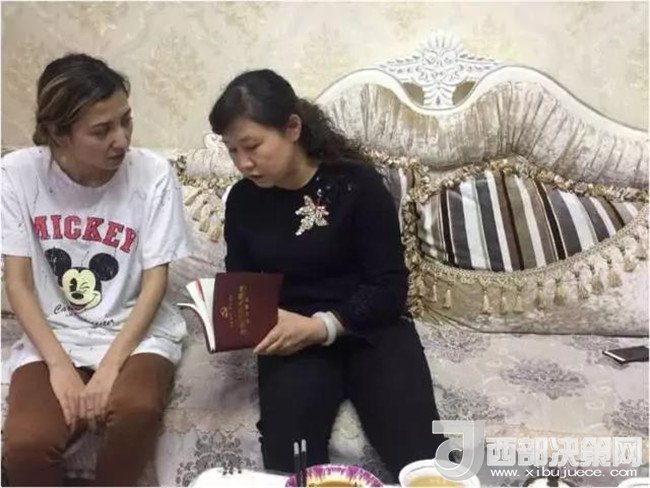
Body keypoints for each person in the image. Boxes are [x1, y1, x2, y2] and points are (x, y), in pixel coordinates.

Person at [208, 69, 446, 481]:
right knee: (290, 459)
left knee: (423, 456)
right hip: (291, 336)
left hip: (371, 327)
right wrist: (237, 315)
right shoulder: (243, 201)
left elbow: (389, 287)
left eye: (252, 146)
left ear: (292, 128)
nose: (243, 163)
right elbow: (243, 281)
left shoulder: (357, 185)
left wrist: (322, 327)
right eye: (232, 151)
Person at [1, 53, 191, 486]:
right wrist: (58, 366)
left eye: (126, 121)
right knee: (28, 444)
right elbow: (19, 284)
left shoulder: (153, 174)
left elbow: (155, 282)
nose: (121, 140)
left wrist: (109, 368)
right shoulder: (17, 175)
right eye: (101, 130)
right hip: (56, 334)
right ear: (58, 134)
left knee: (137, 408)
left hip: (136, 333)